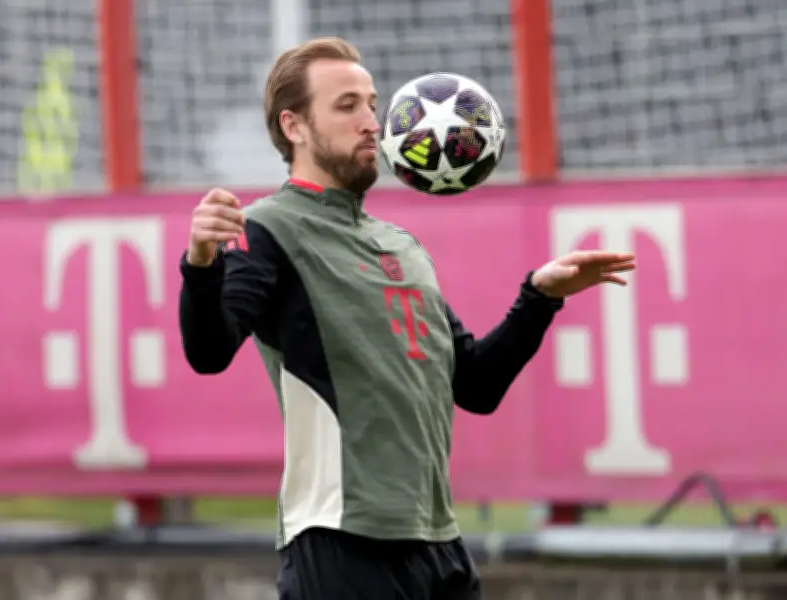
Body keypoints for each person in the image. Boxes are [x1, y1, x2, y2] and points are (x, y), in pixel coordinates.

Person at [178, 37, 635, 600]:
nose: (372, 123)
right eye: (347, 106)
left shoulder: (401, 245)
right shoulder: (267, 228)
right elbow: (209, 352)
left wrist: (539, 298)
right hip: (341, 544)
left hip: (438, 544)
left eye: (372, 104)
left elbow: (477, 385)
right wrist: (201, 264)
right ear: (294, 126)